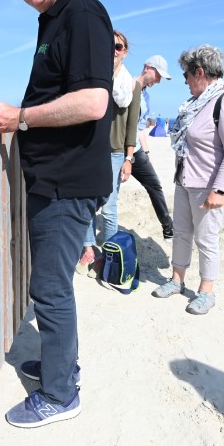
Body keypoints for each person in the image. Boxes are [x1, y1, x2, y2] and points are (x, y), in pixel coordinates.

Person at [0, 0, 113, 427]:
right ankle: (62, 366)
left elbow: (91, 102)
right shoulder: (53, 20)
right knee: (53, 285)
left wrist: (20, 117)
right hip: (53, 181)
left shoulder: (82, 14)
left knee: (50, 289)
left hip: (66, 185)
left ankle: (61, 395)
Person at [152, 44, 224, 315]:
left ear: (200, 72)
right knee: (181, 233)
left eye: (187, 76)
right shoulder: (195, 104)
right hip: (184, 180)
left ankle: (206, 292)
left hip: (207, 186)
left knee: (206, 239)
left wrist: (220, 190)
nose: (185, 82)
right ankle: (177, 280)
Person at [77, 30, 140, 275]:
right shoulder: (94, 78)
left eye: (118, 47)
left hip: (114, 153)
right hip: (91, 149)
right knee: (87, 204)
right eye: (109, 45)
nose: (113, 50)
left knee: (110, 207)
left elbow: (132, 124)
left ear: (124, 52)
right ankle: (89, 249)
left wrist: (129, 158)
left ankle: (110, 256)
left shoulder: (131, 85)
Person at [130, 55, 175, 239]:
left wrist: (147, 153)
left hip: (136, 151)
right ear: (148, 68)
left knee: (154, 184)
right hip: (117, 149)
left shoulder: (146, 98)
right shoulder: (127, 84)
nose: (158, 81)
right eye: (158, 76)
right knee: (106, 194)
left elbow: (140, 129)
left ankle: (168, 227)